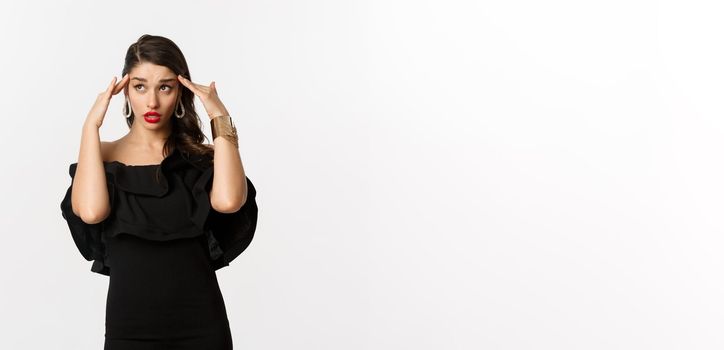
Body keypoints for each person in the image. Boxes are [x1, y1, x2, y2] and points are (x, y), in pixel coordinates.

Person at [59, 34, 259, 349]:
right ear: (124, 91)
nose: (152, 102)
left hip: (201, 325)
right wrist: (90, 127)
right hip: (130, 329)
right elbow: (92, 211)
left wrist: (219, 117)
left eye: (164, 87)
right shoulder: (102, 155)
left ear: (180, 91)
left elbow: (230, 201)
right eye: (140, 86)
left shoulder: (204, 157)